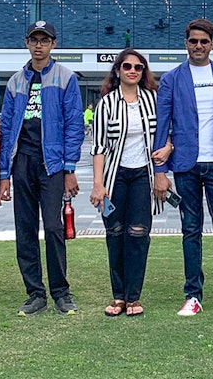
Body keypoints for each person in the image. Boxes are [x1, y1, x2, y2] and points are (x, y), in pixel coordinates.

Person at [153, 19, 213, 318]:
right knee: (190, 231)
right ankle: (193, 295)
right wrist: (161, 170)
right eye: (193, 41)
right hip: (186, 166)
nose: (198, 46)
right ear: (186, 43)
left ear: (212, 44)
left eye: (204, 42)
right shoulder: (172, 79)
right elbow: (163, 125)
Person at [0, 20, 85, 317]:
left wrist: (69, 167)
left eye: (44, 40)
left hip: (52, 164)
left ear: (53, 44)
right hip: (22, 161)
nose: (39, 45)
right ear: (27, 43)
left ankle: (61, 292)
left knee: (53, 228)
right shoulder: (15, 81)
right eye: (34, 40)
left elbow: (75, 124)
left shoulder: (65, 77)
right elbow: (7, 128)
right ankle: (35, 293)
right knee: (25, 230)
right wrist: (4, 175)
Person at [89, 49, 162, 317]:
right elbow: (98, 147)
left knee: (139, 234)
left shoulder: (154, 100)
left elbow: (169, 133)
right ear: (117, 70)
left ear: (144, 72)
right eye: (127, 66)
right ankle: (118, 296)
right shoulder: (106, 104)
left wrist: (167, 150)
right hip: (114, 175)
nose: (133, 70)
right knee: (115, 233)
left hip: (144, 174)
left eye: (138, 67)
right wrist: (98, 184)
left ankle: (134, 296)